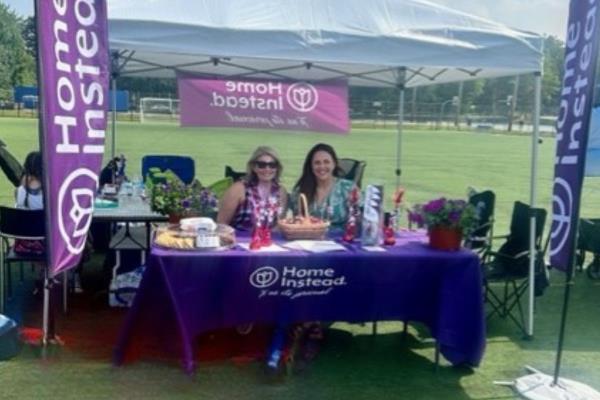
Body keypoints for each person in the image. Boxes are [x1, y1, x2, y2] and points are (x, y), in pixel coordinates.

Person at [217, 146, 288, 230]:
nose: (267, 169)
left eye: (272, 165)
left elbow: (279, 223)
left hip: (269, 240)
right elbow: (221, 223)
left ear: (277, 168)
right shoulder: (238, 189)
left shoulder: (281, 191)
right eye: (262, 165)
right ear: (253, 167)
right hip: (240, 239)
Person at [291, 143, 356, 230]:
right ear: (311, 166)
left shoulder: (348, 188)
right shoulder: (300, 191)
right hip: (308, 240)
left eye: (326, 162)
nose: (322, 166)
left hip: (340, 240)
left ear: (334, 164)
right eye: (317, 163)